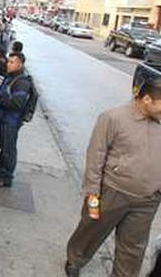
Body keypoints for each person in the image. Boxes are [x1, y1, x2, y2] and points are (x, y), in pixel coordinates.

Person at [65, 77, 161, 277]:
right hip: (111, 192)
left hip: (147, 200)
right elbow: (95, 156)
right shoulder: (113, 118)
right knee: (90, 232)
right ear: (147, 100)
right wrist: (92, 193)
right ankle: (75, 260)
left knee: (133, 249)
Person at [0, 52, 31, 188]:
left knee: (9, 148)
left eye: (12, 62)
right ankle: (0, 169)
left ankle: (6, 177)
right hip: (4, 118)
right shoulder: (12, 77)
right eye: (8, 61)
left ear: (20, 64)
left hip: (11, 120)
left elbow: (17, 104)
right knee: (4, 146)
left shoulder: (21, 82)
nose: (8, 64)